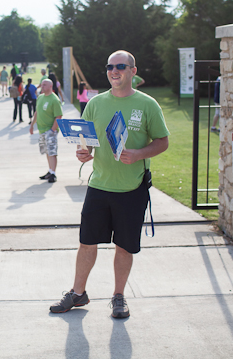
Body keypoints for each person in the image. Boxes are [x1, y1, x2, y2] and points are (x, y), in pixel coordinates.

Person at [49, 50, 169, 319]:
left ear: (132, 71)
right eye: (110, 67)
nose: (114, 71)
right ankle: (78, 293)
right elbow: (86, 140)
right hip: (99, 186)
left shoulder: (148, 105)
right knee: (87, 242)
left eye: (121, 66)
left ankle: (118, 297)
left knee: (124, 246)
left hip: (131, 189)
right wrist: (83, 152)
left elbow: (162, 141)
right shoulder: (95, 103)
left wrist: (138, 154)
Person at [29, 79, 63, 183]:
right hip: (41, 130)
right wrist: (32, 125)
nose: (42, 86)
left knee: (52, 151)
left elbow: (59, 116)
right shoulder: (40, 97)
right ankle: (50, 170)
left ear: (50, 86)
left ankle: (53, 174)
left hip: (50, 130)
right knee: (47, 151)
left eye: (44, 85)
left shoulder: (54, 99)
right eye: (42, 84)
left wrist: (52, 130)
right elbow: (37, 112)